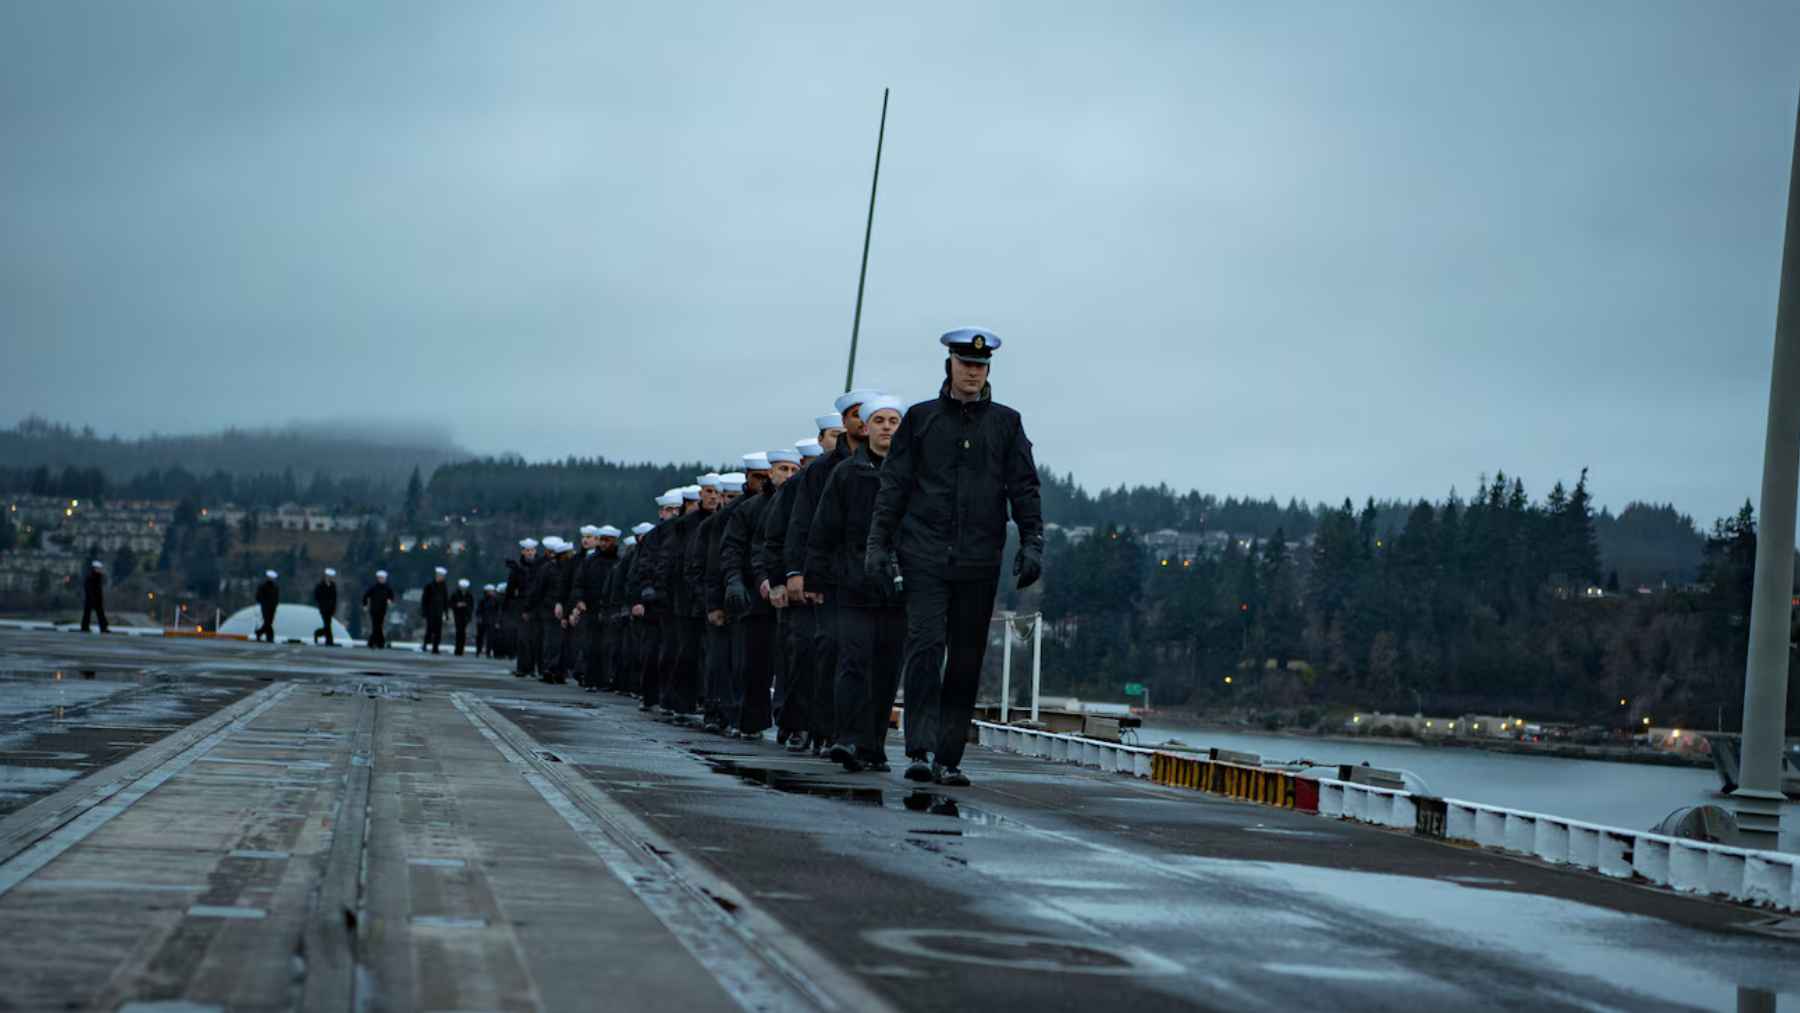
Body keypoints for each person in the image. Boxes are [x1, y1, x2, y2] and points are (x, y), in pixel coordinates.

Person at [867, 329, 1043, 787]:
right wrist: (879, 546)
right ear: (950, 365)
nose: (972, 372)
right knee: (925, 649)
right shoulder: (921, 420)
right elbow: (894, 487)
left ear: (988, 371)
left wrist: (1032, 542)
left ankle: (949, 757)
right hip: (924, 554)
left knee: (966, 659)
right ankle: (920, 750)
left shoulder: (1007, 423)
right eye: (965, 364)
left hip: (980, 559)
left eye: (980, 366)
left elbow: (1024, 486)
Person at [808, 395, 907, 772]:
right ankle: (846, 738)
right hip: (852, 583)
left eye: (893, 421)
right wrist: (817, 576)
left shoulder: (912, 474)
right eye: (879, 420)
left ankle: (873, 743)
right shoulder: (847, 473)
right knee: (853, 662)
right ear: (866, 428)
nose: (886, 427)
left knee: (886, 667)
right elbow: (824, 528)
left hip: (897, 587)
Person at [785, 401, 863, 755]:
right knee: (825, 648)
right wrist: (799, 573)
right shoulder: (819, 472)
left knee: (857, 654)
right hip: (827, 574)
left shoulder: (889, 464)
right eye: (857, 416)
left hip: (864, 576)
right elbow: (803, 525)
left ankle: (848, 732)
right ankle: (819, 728)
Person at [721, 453, 778, 737]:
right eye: (758, 475)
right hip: (754, 596)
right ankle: (749, 720)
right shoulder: (746, 510)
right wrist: (734, 581)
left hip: (788, 593)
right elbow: (731, 548)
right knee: (754, 663)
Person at [754, 446, 807, 744]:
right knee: (788, 655)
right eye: (782, 470)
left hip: (808, 584)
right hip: (780, 586)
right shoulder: (755, 508)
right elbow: (762, 547)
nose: (788, 476)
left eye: (793, 470)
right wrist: (770, 580)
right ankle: (788, 719)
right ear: (770, 473)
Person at [658, 483, 712, 718]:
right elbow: (672, 562)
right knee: (686, 652)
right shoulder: (681, 527)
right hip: (683, 599)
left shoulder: (715, 521)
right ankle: (679, 701)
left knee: (703, 653)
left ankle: (698, 698)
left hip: (703, 595)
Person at [699, 473, 746, 731]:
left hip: (742, 601)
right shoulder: (715, 525)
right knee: (718, 660)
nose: (731, 502)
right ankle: (715, 711)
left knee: (739, 662)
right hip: (721, 601)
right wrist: (713, 604)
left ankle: (735, 714)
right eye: (728, 497)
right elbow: (709, 568)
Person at [634, 492, 684, 709]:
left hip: (677, 600)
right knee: (653, 651)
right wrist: (645, 591)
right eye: (669, 509)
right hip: (656, 601)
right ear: (661, 512)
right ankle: (650, 696)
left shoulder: (684, 531)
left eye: (677, 509)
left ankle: (669, 696)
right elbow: (643, 566)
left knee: (674, 652)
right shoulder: (653, 536)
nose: (673, 513)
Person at [573, 525, 622, 691]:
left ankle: (605, 680)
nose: (603, 543)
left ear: (614, 541)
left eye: (607, 540)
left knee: (608, 646)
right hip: (591, 608)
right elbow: (579, 583)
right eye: (602, 540)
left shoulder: (619, 562)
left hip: (611, 609)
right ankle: (590, 679)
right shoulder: (590, 561)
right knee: (590, 645)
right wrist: (579, 600)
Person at [507, 539, 541, 675]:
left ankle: (532, 668)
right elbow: (510, 590)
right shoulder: (517, 568)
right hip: (521, 605)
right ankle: (522, 667)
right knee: (522, 638)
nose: (530, 553)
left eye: (532, 550)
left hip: (536, 606)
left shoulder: (540, 567)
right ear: (522, 551)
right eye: (527, 550)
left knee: (534, 639)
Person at [362, 570, 394, 648]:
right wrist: (365, 605)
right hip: (374, 609)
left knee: (379, 626)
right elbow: (365, 596)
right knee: (376, 626)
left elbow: (391, 596)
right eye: (380, 578)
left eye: (383, 578)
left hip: (383, 610)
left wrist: (390, 601)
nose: (381, 579)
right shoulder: (373, 587)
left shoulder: (387, 588)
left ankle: (375, 642)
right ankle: (377, 643)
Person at [421, 566, 449, 654]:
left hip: (439, 612)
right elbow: (424, 600)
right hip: (430, 611)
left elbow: (445, 601)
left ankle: (435, 648)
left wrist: (446, 613)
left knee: (438, 631)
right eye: (440, 576)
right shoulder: (429, 586)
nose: (441, 577)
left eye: (442, 576)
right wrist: (424, 612)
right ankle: (425, 645)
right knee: (429, 629)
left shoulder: (444, 587)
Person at [80, 560, 109, 633]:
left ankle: (103, 628)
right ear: (94, 568)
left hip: (98, 598)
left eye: (100, 568)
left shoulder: (98, 576)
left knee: (100, 614)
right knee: (87, 614)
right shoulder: (90, 576)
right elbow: (88, 588)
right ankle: (85, 627)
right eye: (98, 568)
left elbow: (100, 586)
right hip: (91, 598)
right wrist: (91, 597)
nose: (100, 570)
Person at [313, 568, 339, 645]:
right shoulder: (320, 585)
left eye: (331, 576)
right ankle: (329, 640)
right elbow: (317, 595)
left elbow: (334, 597)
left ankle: (318, 633)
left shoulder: (333, 585)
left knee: (327, 624)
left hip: (330, 608)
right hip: (323, 608)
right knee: (327, 624)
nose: (330, 578)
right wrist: (321, 603)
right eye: (328, 576)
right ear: (325, 576)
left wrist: (334, 607)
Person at [450, 578, 475, 656]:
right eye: (462, 587)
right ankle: (457, 649)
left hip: (466, 616)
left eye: (465, 587)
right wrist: (457, 605)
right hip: (457, 615)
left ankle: (461, 649)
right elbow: (450, 604)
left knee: (463, 633)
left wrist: (467, 610)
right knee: (458, 632)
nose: (463, 589)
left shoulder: (470, 595)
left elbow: (471, 606)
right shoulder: (455, 594)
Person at [254, 570, 280, 643]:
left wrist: (276, 604)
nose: (272, 579)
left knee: (269, 622)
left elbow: (276, 597)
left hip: (272, 607)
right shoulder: (263, 586)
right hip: (265, 606)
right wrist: (263, 603)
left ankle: (259, 632)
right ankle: (270, 637)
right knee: (267, 622)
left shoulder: (275, 587)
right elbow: (258, 596)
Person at [476, 583, 500, 657]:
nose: (492, 592)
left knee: (490, 638)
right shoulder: (482, 600)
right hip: (482, 621)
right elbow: (478, 610)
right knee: (480, 637)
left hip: (491, 621)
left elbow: (498, 612)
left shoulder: (496, 600)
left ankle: (488, 652)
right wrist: (479, 618)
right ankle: (478, 651)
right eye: (490, 591)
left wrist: (497, 621)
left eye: (492, 591)